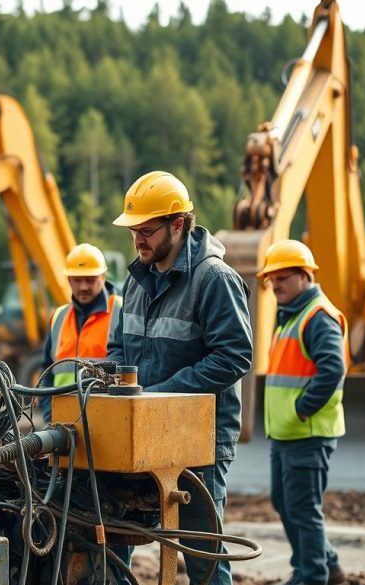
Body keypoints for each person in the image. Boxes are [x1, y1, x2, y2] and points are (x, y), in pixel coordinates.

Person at [107, 170, 252, 585]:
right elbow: (118, 348)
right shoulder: (135, 282)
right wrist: (122, 391)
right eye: (134, 231)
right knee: (114, 531)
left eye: (147, 230)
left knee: (200, 549)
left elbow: (235, 356)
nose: (138, 240)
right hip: (138, 430)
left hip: (197, 441)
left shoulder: (214, 279)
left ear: (178, 224)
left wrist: (158, 397)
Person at [259, 239, 348, 585]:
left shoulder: (317, 317)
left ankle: (311, 575)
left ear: (304, 275)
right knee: (285, 503)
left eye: (282, 277)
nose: (275, 284)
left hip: (306, 432)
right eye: (271, 279)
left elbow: (332, 370)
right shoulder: (290, 316)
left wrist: (301, 409)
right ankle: (329, 564)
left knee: (303, 510)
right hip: (286, 432)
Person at [38, 243, 121, 422]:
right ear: (68, 280)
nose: (83, 287)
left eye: (90, 279)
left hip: (106, 417)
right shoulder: (59, 316)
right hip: (63, 420)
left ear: (103, 276)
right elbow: (46, 373)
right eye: (77, 279)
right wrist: (49, 417)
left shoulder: (121, 309)